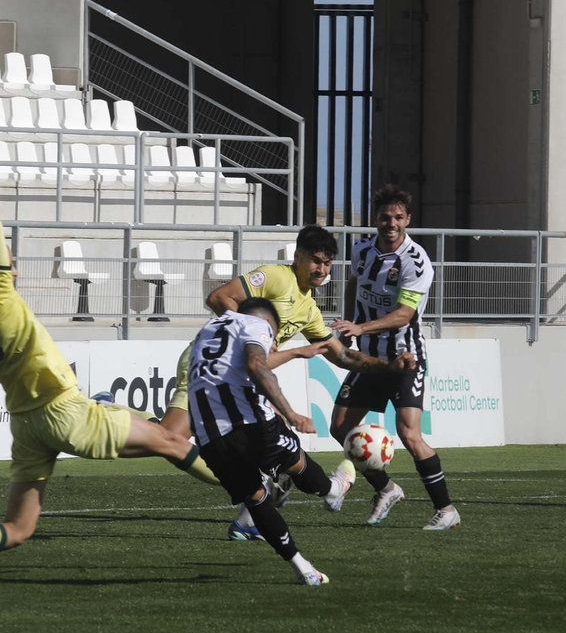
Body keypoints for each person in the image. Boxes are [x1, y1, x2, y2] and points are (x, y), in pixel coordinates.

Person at [0, 136, 220, 577]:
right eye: (10, 263)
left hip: (26, 424)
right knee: (170, 440)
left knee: (19, 526)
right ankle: (254, 491)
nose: (14, 269)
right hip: (64, 411)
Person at [160, 225, 416, 539]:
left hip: (239, 381)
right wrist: (257, 335)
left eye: (327, 263)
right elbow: (219, 297)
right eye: (315, 260)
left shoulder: (309, 308)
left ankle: (254, 516)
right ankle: (321, 490)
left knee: (254, 445)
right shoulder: (277, 277)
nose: (322, 269)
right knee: (174, 441)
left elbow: (343, 357)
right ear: (297, 257)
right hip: (212, 367)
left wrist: (390, 366)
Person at [186, 297, 356, 585]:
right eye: (273, 338)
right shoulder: (256, 324)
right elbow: (256, 363)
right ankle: (331, 490)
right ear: (268, 323)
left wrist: (297, 352)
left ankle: (303, 569)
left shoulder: (211, 327)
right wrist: (290, 412)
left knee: (255, 498)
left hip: (208, 436)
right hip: (248, 423)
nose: (271, 344)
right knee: (295, 458)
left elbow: (245, 361)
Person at [332, 185, 460, 531]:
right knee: (340, 428)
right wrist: (349, 323)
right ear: (376, 219)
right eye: (385, 217)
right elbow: (353, 282)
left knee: (409, 433)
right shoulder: (361, 250)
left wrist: (360, 327)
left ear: (408, 220)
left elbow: (404, 314)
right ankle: (386, 489)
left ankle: (446, 510)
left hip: (406, 359)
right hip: (369, 361)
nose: (391, 223)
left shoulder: (415, 261)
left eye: (398, 217)